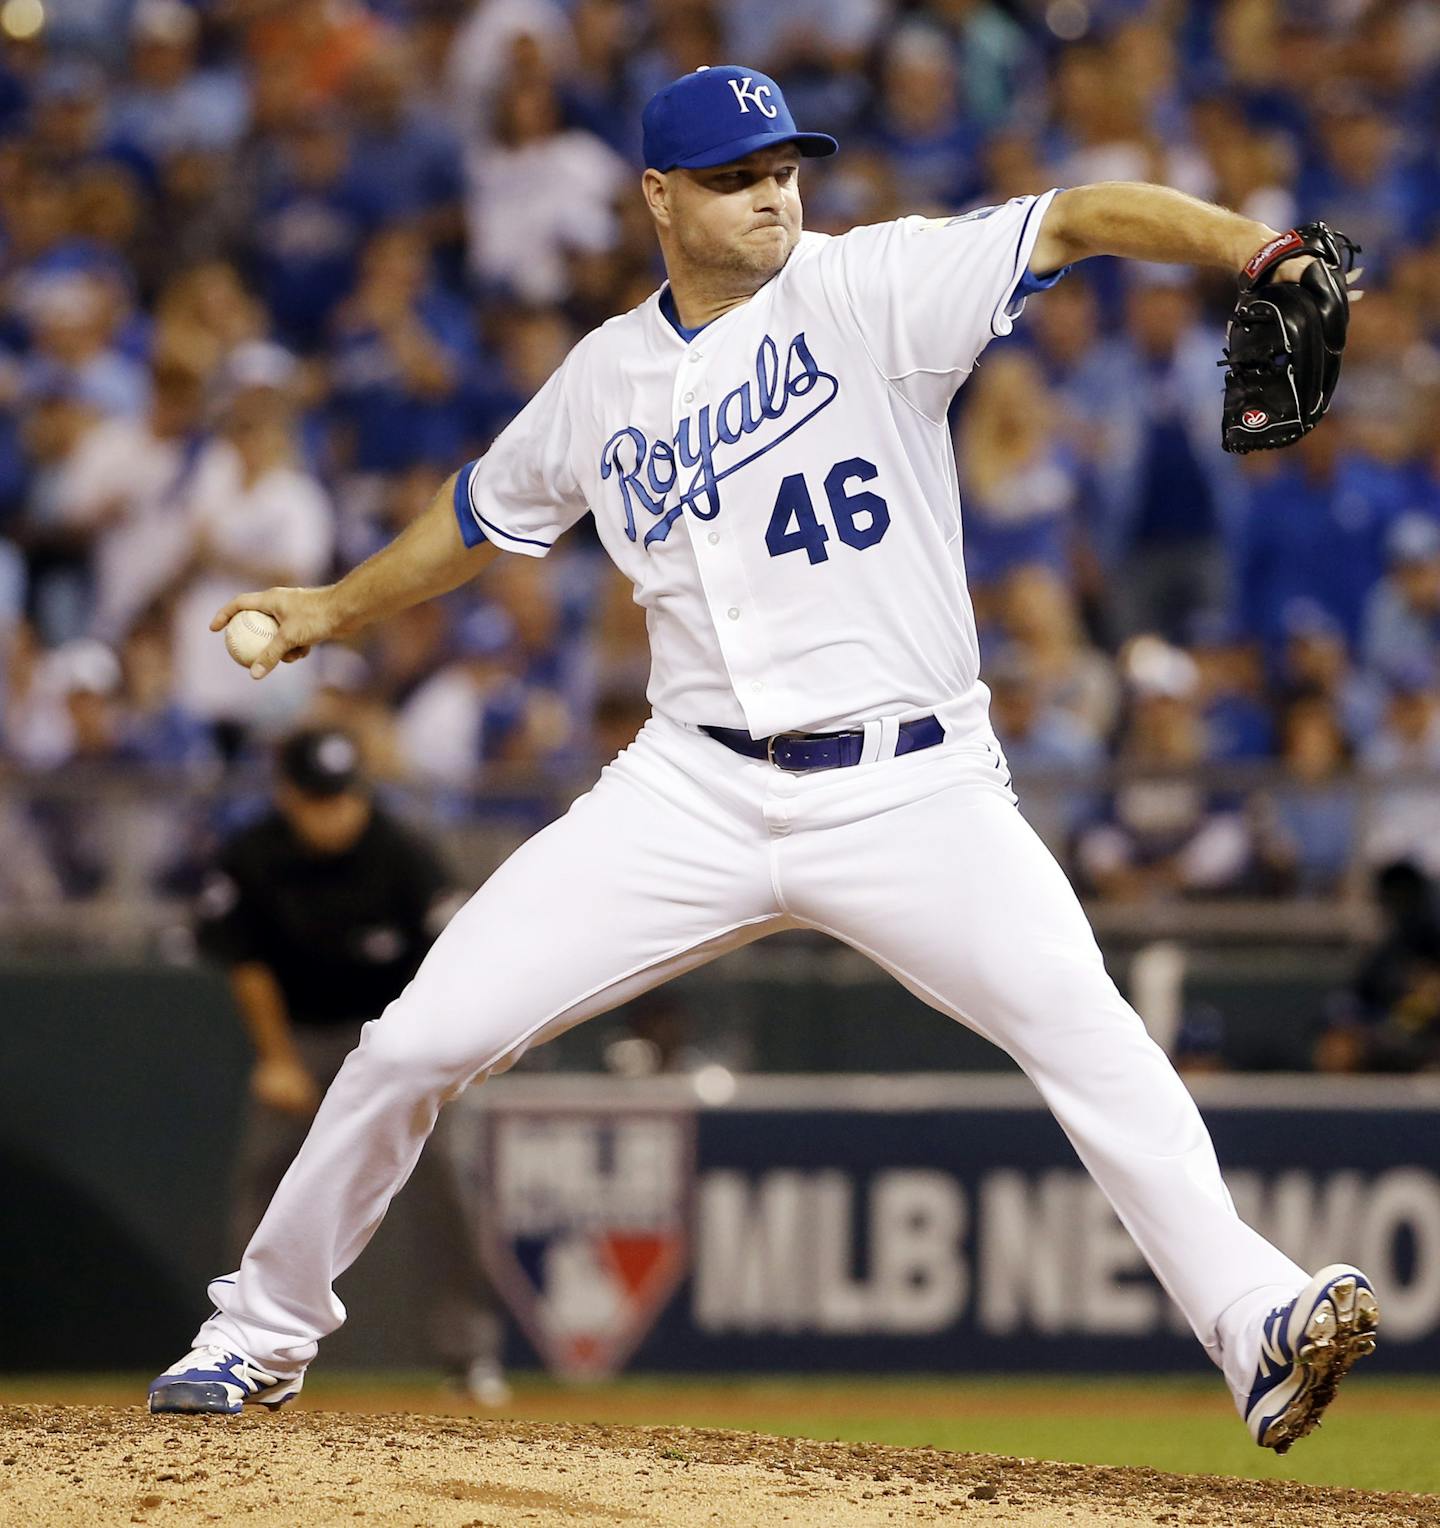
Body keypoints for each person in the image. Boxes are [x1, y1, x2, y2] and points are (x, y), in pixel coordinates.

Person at [149, 65, 1378, 1453]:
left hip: (913, 785)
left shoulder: (875, 287)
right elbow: (478, 516)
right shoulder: (603, 376)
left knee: (1088, 1034)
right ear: (660, 198)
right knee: (412, 1043)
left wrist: (1257, 249)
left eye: (786, 166)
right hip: (692, 787)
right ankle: (257, 1331)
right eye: (737, 176)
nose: (774, 193)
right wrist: (324, 609)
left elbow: (1083, 215)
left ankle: (1255, 1323)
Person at [192, 726, 508, 1402]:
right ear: (288, 796)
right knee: (266, 1181)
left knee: (449, 1179)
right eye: (317, 799)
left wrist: (447, 1048)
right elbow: (246, 964)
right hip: (302, 1038)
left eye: (343, 796)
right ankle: (248, 1346)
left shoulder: (403, 851)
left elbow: (456, 951)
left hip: (395, 1033)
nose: (333, 812)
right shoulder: (255, 854)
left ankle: (469, 1355)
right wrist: (275, 1059)